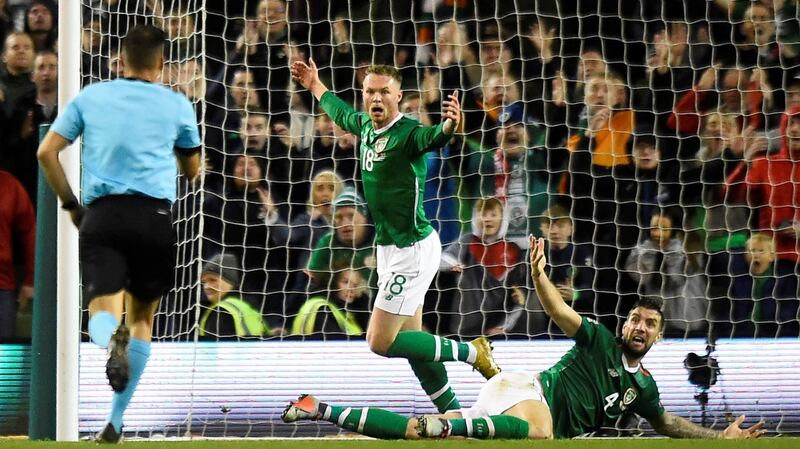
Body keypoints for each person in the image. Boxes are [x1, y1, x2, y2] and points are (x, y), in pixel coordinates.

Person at [281, 236, 766, 441]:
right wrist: (538, 276)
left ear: (658, 337)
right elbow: (557, 310)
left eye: (650, 324)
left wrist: (718, 436)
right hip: (529, 398)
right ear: (624, 326)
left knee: (417, 432)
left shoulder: (645, 389)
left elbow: (666, 424)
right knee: (541, 435)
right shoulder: (597, 339)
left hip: (504, 398)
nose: (639, 327)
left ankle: (317, 408)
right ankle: (455, 409)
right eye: (635, 320)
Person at [290, 59, 499, 414]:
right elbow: (341, 113)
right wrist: (314, 84)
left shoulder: (409, 133)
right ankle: (453, 414)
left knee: (380, 340)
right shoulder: (366, 128)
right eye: (370, 91)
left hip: (413, 249)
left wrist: (450, 124)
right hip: (389, 250)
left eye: (384, 92)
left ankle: (470, 351)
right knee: (412, 343)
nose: (375, 98)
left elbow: (436, 137)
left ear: (398, 96)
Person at [36, 25, 201, 443]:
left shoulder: (91, 97)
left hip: (103, 216)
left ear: (120, 60)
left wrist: (71, 205)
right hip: (154, 216)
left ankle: (112, 343)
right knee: (143, 317)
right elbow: (193, 169)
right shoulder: (177, 104)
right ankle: (115, 420)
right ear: (162, 63)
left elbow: (46, 152)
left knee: (101, 310)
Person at [199, 253, 271, 340]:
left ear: (230, 281)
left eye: (213, 280)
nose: (207, 286)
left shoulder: (222, 311)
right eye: (204, 282)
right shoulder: (247, 306)